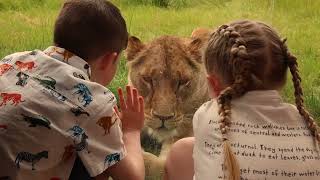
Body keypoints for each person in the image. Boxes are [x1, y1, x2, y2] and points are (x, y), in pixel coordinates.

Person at [0, 0, 145, 179]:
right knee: (99, 157)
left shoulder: (12, 61)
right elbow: (133, 177)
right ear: (109, 60)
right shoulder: (95, 103)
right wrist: (131, 130)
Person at [164, 20, 320, 180]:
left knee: (181, 151)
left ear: (213, 84)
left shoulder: (206, 115)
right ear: (284, 76)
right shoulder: (305, 121)